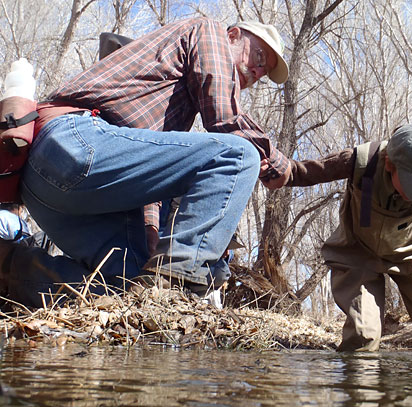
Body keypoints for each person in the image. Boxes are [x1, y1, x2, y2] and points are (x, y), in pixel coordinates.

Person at [0, 17, 291, 308]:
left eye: (263, 71)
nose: (256, 70)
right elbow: (224, 117)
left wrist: (154, 255)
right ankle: (174, 293)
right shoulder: (209, 30)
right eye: (259, 56)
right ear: (234, 35)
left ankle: (10, 271)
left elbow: (147, 186)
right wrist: (278, 162)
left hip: (47, 191)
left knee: (127, 287)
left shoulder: (170, 114)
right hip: (73, 142)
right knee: (238, 155)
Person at [279, 123, 412, 356]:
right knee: (362, 337)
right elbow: (307, 171)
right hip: (358, 255)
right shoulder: (360, 161)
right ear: (389, 163)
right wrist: (279, 172)